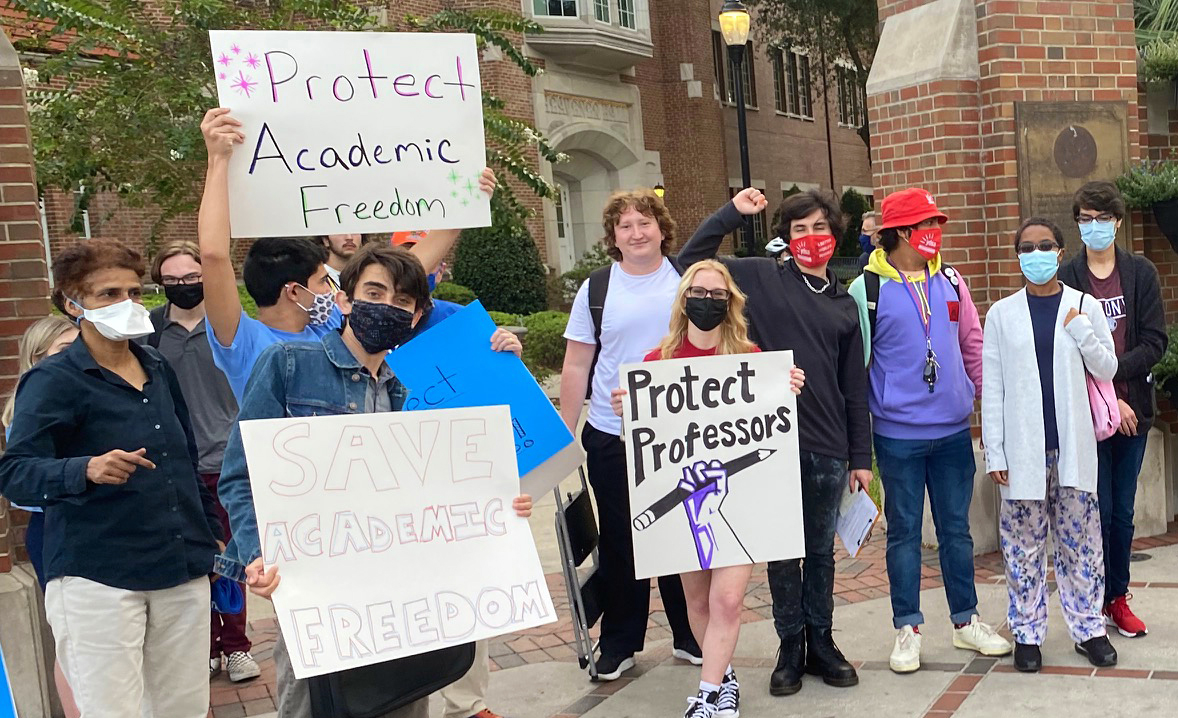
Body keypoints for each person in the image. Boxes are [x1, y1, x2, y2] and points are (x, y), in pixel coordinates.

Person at [217, 244, 532, 718]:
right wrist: (256, 553)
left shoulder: (414, 387)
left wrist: (501, 505)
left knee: (402, 704)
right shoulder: (287, 365)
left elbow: (456, 480)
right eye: (374, 291)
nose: (387, 306)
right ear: (345, 300)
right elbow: (240, 476)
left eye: (403, 301)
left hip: (401, 599)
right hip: (316, 595)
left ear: (416, 316)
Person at [0, 239, 223, 718]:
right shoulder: (53, 380)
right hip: (98, 576)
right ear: (71, 303)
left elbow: (183, 456)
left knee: (184, 708)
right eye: (108, 295)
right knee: (113, 710)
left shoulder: (158, 366)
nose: (127, 304)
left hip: (179, 569)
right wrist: (85, 468)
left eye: (134, 292)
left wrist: (211, 536)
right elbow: (15, 473)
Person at [679, 187, 870, 697]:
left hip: (828, 444)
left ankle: (823, 641)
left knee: (820, 552)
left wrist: (861, 457)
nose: (811, 238)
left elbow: (855, 387)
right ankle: (790, 647)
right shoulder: (761, 278)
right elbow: (691, 264)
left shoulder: (845, 304)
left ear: (836, 234)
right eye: (800, 229)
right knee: (782, 554)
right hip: (768, 443)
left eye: (820, 228)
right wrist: (730, 215)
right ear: (786, 236)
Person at [608, 259, 805, 718]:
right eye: (699, 292)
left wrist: (787, 386)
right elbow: (642, 440)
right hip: (682, 505)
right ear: (683, 300)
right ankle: (725, 676)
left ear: (731, 302)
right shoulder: (657, 364)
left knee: (728, 599)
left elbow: (771, 423)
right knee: (698, 601)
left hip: (737, 502)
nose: (708, 301)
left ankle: (709, 695)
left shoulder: (751, 359)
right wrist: (629, 411)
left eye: (718, 295)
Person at [198, 108, 494, 398]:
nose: (332, 291)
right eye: (323, 281)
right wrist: (218, 160)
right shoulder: (243, 341)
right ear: (294, 292)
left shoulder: (328, 328)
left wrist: (463, 211)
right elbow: (213, 255)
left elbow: (406, 269)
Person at [847, 189, 1011, 674]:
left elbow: (973, 346)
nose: (934, 232)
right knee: (902, 535)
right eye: (924, 224)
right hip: (897, 436)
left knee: (956, 532)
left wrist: (991, 409)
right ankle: (908, 628)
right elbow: (855, 370)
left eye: (936, 223)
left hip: (955, 432)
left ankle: (966, 622)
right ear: (899, 233)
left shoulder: (953, 281)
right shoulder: (867, 290)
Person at [560, 189, 703, 682]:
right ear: (613, 237)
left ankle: (690, 632)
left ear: (663, 229)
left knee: (684, 532)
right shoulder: (597, 289)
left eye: (645, 223)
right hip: (612, 434)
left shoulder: (687, 282)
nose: (636, 233)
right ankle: (621, 640)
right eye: (625, 226)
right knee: (621, 539)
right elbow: (578, 361)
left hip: (677, 434)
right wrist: (566, 426)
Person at [982, 217, 1119, 672]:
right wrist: (995, 451)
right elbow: (994, 387)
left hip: (1073, 446)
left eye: (1045, 245)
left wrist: (1080, 328)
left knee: (1081, 543)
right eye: (1027, 247)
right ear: (1017, 255)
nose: (1036, 253)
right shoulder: (1002, 314)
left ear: (1060, 252)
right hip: (1023, 451)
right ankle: (1027, 633)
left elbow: (1107, 368)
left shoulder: (1083, 305)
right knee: (1023, 546)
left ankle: (1088, 629)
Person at [146, 240, 260, 682]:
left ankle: (235, 646)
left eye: (193, 278)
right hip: (177, 466)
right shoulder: (150, 332)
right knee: (192, 563)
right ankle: (206, 646)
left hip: (229, 461)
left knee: (231, 559)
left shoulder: (232, 327)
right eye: (172, 280)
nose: (184, 286)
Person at [1059, 181, 1168, 638]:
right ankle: (1092, 600)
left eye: (1103, 219)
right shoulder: (1067, 276)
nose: (1095, 227)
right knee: (1094, 511)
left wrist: (1117, 378)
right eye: (1086, 219)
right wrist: (1108, 394)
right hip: (1088, 415)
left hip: (1134, 415)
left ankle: (1117, 598)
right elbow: (1064, 349)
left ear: (1118, 222)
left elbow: (1154, 342)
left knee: (1122, 511)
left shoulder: (1140, 273)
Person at [0, 316, 80, 718]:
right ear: (36, 359)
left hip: (90, 528)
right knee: (70, 637)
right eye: (65, 351)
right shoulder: (28, 414)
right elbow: (26, 490)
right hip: (54, 530)